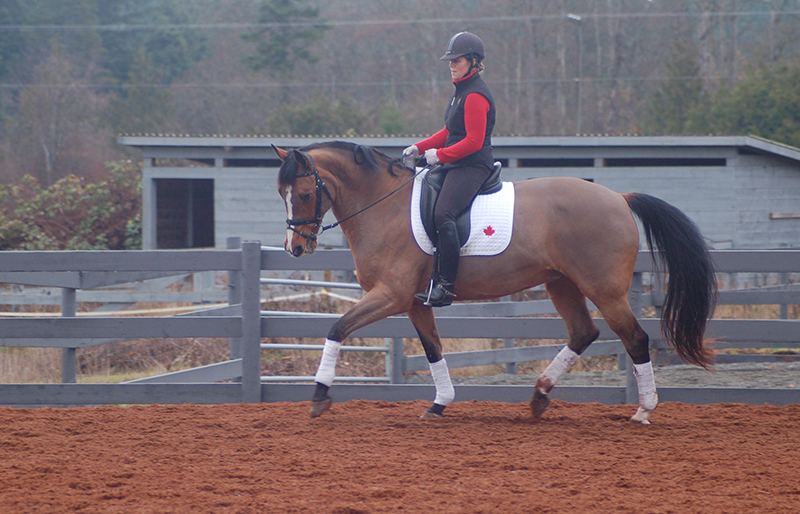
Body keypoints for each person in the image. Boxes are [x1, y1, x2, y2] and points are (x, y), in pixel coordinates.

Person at [403, 32, 496, 307]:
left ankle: (446, 285)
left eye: (457, 60)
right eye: (450, 60)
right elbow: (449, 131)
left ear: (474, 62)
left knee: (444, 212)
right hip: (457, 162)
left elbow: (473, 141)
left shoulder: (476, 95)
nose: (451, 65)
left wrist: (439, 156)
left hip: (474, 165)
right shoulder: (461, 94)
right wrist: (419, 148)